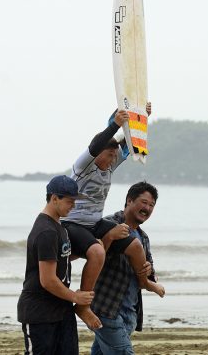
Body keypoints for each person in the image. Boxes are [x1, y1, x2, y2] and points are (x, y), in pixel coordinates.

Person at [62, 104, 163, 330]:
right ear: (98, 154)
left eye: (114, 156)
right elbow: (97, 143)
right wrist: (115, 124)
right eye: (109, 155)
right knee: (97, 253)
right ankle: (83, 304)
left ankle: (144, 281)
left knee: (135, 245)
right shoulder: (83, 165)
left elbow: (131, 143)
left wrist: (141, 118)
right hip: (73, 223)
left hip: (95, 223)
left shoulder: (111, 162)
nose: (112, 160)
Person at [17, 175, 95, 355]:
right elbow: (48, 280)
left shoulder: (58, 226)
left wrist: (95, 247)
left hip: (61, 309)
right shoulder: (46, 231)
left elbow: (60, 258)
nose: (73, 206)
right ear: (54, 198)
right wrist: (75, 297)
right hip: (39, 312)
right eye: (69, 201)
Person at [91, 181, 165, 355]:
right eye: (144, 202)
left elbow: (149, 275)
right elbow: (92, 257)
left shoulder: (143, 237)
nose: (147, 208)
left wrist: (148, 271)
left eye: (152, 205)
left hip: (130, 311)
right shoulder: (108, 223)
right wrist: (109, 237)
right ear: (129, 201)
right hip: (106, 308)